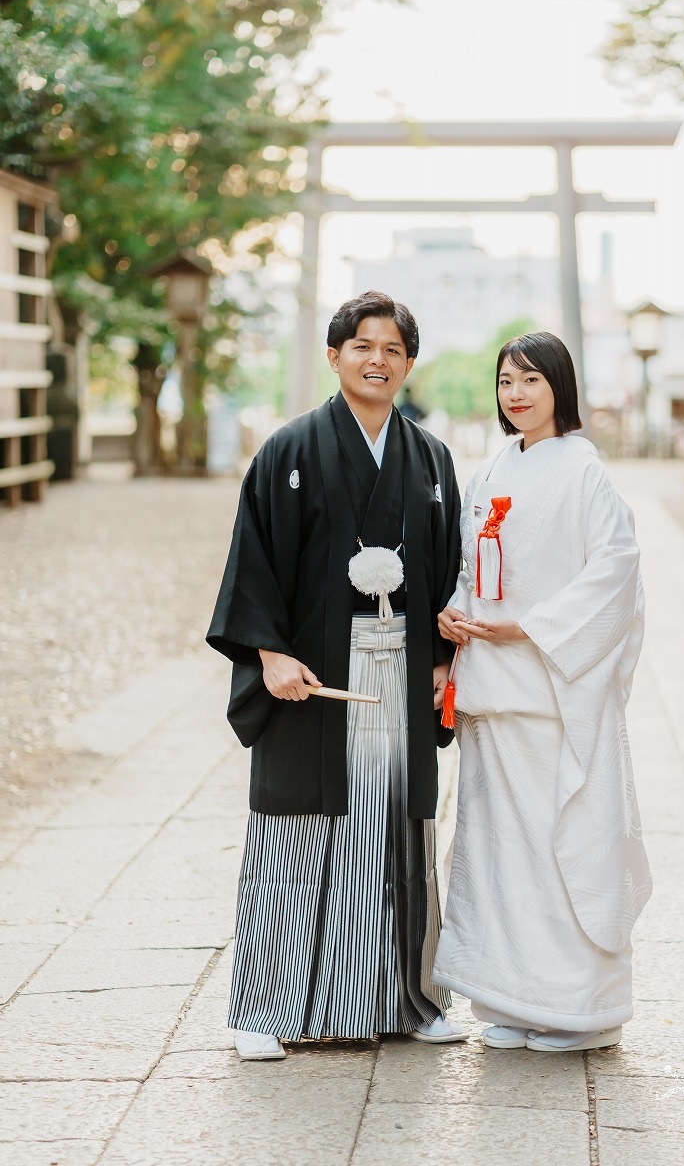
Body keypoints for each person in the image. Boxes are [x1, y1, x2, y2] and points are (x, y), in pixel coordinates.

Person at [207, 290, 466, 1059]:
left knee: (395, 835)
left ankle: (408, 1002)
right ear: (333, 356)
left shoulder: (430, 459)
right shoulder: (288, 451)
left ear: (408, 363)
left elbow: (448, 572)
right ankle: (265, 1007)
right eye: (361, 346)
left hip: (401, 669)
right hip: (311, 676)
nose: (376, 360)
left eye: (391, 349)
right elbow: (251, 563)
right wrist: (268, 654)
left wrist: (445, 657)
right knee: (295, 836)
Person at [432, 331, 651, 1053]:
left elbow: (614, 569)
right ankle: (514, 998)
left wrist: (531, 627)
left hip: (552, 688)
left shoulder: (585, 473)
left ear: (559, 385)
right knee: (499, 848)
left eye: (529, 379)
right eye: (504, 381)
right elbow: (469, 563)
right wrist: (455, 611)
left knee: (562, 840)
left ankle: (579, 1008)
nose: (515, 394)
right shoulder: (492, 466)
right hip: (493, 690)